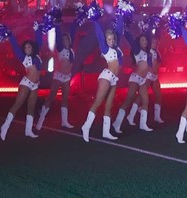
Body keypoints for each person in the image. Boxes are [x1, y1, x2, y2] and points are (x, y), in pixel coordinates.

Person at [80, 14, 124, 142]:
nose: (110, 41)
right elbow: (99, 34)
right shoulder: (105, 49)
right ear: (106, 40)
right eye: (108, 39)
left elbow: (119, 30)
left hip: (114, 79)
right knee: (98, 102)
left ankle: (106, 132)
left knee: (109, 105)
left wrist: (121, 15)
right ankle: (86, 127)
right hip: (106, 76)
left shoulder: (117, 48)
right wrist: (95, 20)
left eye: (112, 39)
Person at [0, 24, 43, 140]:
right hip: (26, 83)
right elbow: (15, 46)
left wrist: (38, 30)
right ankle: (5, 127)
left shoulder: (37, 56)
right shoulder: (23, 57)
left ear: (32, 48)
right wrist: (10, 34)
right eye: (26, 48)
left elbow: (38, 41)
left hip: (35, 85)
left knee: (31, 107)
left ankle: (28, 131)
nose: (27, 49)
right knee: (17, 105)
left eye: (29, 47)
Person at [36, 22, 79, 130]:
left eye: (67, 39)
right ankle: (41, 119)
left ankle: (64, 121)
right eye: (63, 40)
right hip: (58, 75)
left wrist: (78, 20)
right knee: (51, 96)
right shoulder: (61, 49)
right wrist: (57, 24)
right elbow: (58, 35)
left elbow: (73, 30)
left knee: (65, 98)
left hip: (67, 76)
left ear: (69, 40)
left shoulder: (72, 50)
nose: (65, 41)